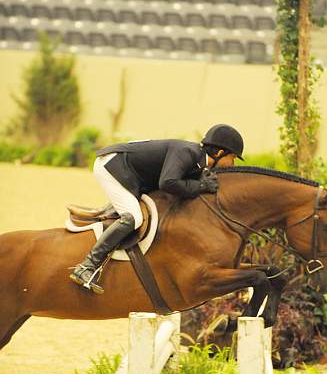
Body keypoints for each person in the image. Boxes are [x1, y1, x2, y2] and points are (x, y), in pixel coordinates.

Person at [69, 124, 244, 294]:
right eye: (233, 157)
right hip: (112, 166)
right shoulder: (187, 152)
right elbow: (167, 182)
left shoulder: (198, 161)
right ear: (220, 153)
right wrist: (201, 186)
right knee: (133, 218)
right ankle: (87, 266)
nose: (233, 163)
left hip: (129, 172)